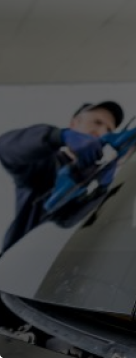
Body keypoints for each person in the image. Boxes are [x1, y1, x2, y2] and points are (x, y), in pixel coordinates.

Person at [0, 101, 124, 254]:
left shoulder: (97, 178)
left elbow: (67, 222)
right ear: (74, 124)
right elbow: (5, 149)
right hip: (20, 258)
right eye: (97, 122)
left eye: (109, 130)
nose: (102, 131)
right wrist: (57, 136)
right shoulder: (44, 162)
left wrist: (100, 191)